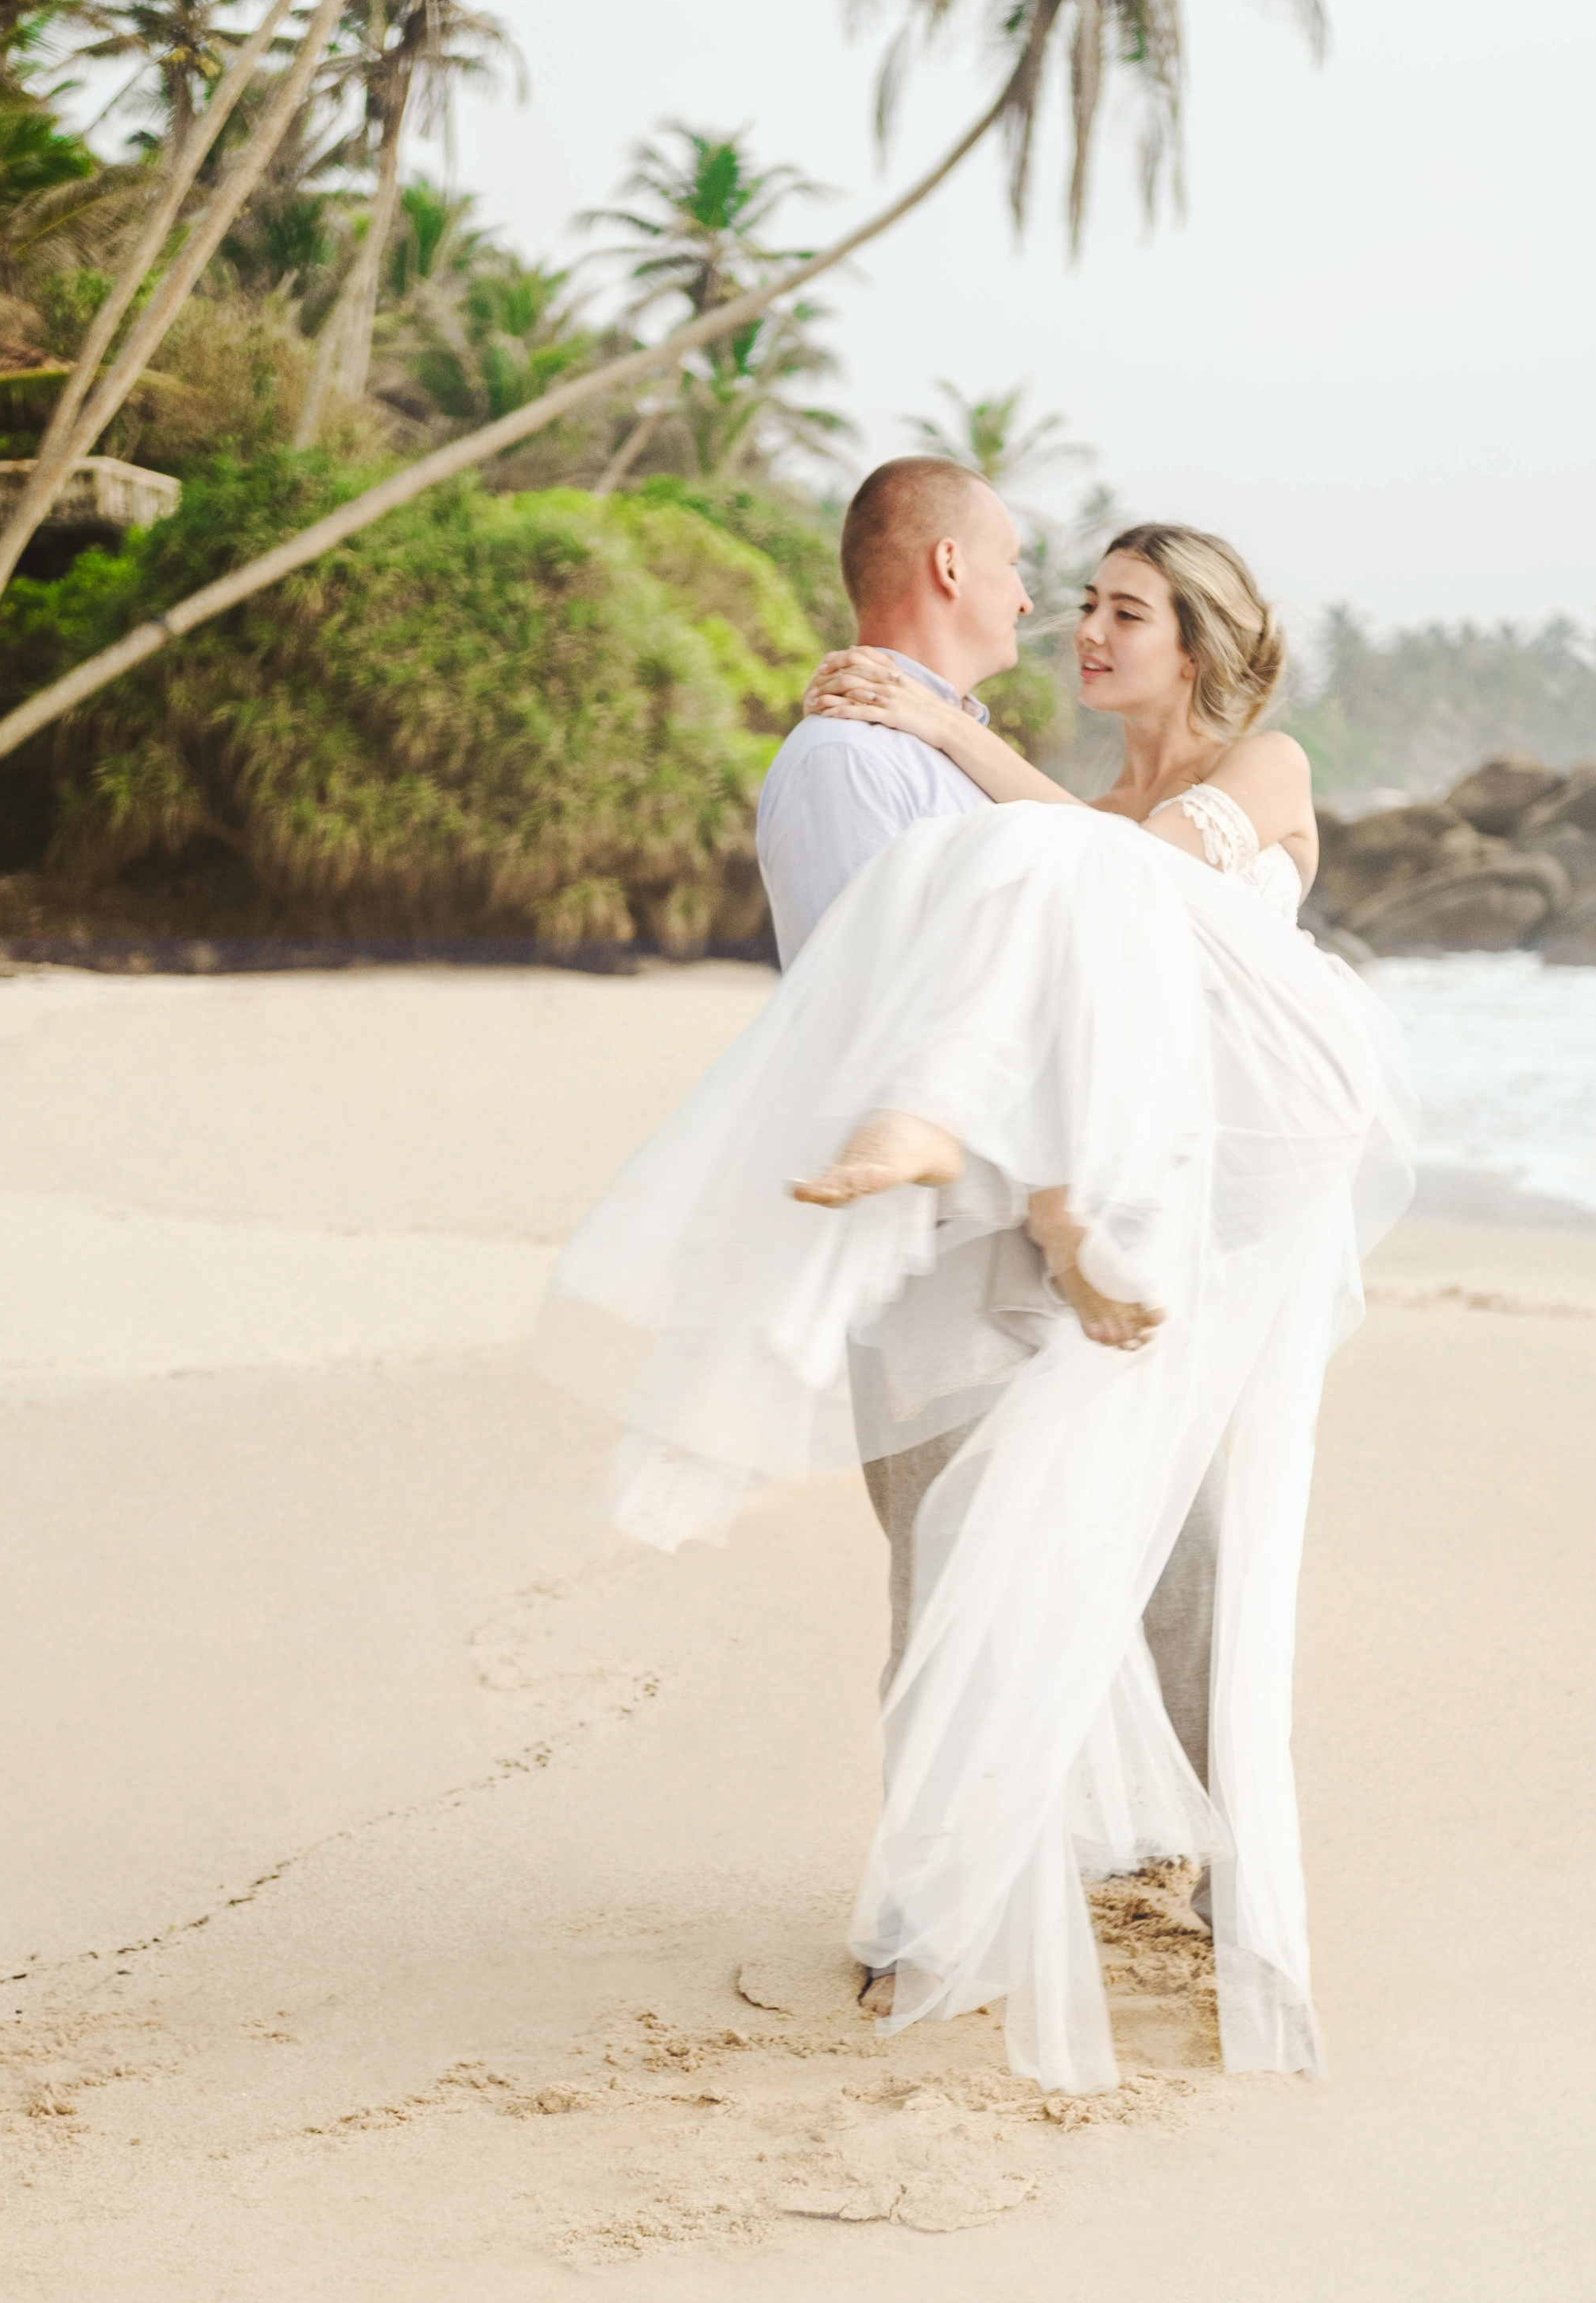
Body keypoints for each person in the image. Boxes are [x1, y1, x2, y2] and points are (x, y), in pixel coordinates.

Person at [542, 497, 1413, 2095]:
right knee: (1109, 1535)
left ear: (1204, 647)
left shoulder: (1254, 774)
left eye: (1124, 611)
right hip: (1147, 1150)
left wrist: (946, 733)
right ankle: (1049, 1860)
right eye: (1075, 599)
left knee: (1031, 867)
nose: (1082, 629)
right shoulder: (1055, 811)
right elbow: (1061, 921)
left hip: (1278, 1112)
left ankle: (987, 1159)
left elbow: (1129, 883)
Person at [754, 460, 1229, 1962]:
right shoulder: (851, 759)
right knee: (959, 1581)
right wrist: (1047, 1203)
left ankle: (1193, 1865)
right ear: (951, 568)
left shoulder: (948, 755)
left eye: (1106, 603)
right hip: (949, 1247)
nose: (1042, 602)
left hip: (1055, 1235)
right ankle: (933, 1919)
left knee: (1162, 1555)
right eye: (1028, 568)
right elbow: (905, 1018)